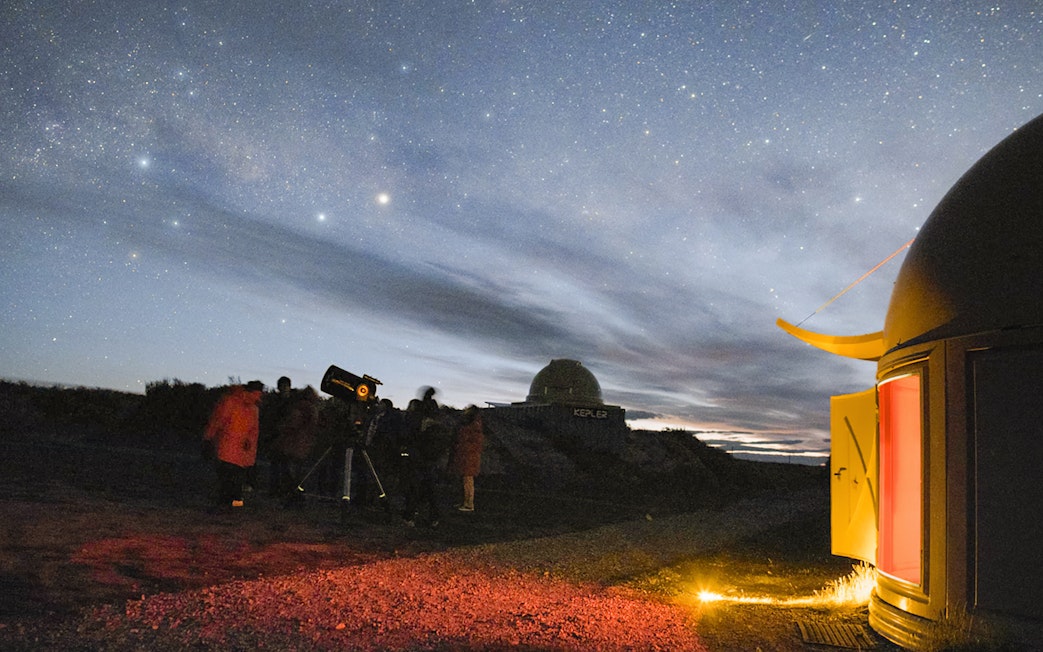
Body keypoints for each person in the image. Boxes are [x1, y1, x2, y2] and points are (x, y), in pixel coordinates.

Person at [203, 380, 264, 508]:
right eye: (257, 394)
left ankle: (230, 504)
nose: (258, 397)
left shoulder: (253, 408)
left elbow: (253, 430)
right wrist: (209, 438)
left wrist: (250, 447)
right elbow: (218, 421)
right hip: (226, 446)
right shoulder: (231, 402)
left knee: (233, 478)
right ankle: (226, 503)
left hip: (239, 449)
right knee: (228, 476)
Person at [268, 381, 321, 504]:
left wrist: (280, 429)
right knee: (298, 474)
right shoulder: (313, 410)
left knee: (289, 473)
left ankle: (291, 496)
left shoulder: (300, 409)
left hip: (293, 444)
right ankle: (296, 495)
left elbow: (291, 425)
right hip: (304, 445)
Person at [449, 405, 484, 512]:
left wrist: (460, 446)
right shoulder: (475, 425)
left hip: (468, 456)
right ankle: (466, 502)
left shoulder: (472, 427)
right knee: (466, 480)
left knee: (468, 481)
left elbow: (469, 442)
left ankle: (469, 504)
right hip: (468, 456)